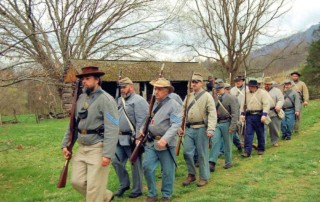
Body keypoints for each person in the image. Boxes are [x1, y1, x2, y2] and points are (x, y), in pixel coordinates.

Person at [61, 66, 119, 202]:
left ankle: (98, 196)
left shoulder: (106, 100)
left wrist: (107, 154)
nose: (84, 82)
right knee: (77, 182)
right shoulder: (81, 98)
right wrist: (66, 144)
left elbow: (113, 128)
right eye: (83, 79)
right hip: (82, 147)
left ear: (97, 80)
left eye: (87, 79)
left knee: (93, 188)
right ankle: (105, 196)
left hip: (98, 147)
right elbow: (73, 125)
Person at [141, 77, 181, 202]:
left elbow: (176, 124)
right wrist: (143, 129)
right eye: (155, 88)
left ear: (166, 91)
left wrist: (165, 139)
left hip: (166, 144)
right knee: (147, 166)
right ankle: (152, 193)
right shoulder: (153, 103)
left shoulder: (174, 105)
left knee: (168, 171)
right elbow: (148, 119)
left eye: (158, 89)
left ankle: (166, 195)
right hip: (151, 141)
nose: (155, 92)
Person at [112, 77, 148, 198]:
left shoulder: (139, 101)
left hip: (132, 138)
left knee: (135, 164)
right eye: (120, 87)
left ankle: (137, 189)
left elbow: (142, 121)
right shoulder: (119, 100)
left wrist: (138, 137)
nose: (122, 90)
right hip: (119, 137)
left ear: (131, 87)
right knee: (115, 160)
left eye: (124, 87)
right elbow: (115, 117)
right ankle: (124, 184)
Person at [180, 73, 217, 187]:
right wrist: (180, 127)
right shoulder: (188, 96)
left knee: (202, 154)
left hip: (202, 128)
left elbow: (212, 113)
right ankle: (191, 174)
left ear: (201, 83)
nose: (194, 84)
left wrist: (210, 129)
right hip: (189, 128)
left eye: (196, 82)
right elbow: (183, 112)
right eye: (193, 82)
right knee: (187, 152)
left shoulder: (207, 96)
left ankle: (204, 177)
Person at [209, 80, 239, 171]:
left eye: (219, 88)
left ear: (223, 88)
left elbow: (235, 113)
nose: (218, 90)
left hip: (227, 122)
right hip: (217, 123)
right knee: (215, 141)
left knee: (227, 144)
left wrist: (232, 126)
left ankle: (228, 162)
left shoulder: (231, 98)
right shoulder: (212, 98)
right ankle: (212, 162)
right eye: (216, 89)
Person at [240, 80, 270, 157]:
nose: (250, 88)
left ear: (255, 86)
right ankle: (247, 151)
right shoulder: (246, 94)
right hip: (249, 115)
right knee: (248, 133)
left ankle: (261, 149)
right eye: (249, 86)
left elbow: (266, 104)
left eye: (252, 86)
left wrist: (264, 114)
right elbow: (243, 105)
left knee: (260, 133)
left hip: (259, 115)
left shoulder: (262, 93)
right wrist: (242, 114)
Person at [264, 77, 284, 147]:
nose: (267, 85)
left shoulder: (277, 91)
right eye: (266, 84)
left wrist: (278, 106)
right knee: (263, 128)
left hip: (273, 111)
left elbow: (281, 99)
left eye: (269, 84)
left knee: (274, 128)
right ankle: (262, 143)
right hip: (264, 112)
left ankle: (275, 141)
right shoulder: (260, 91)